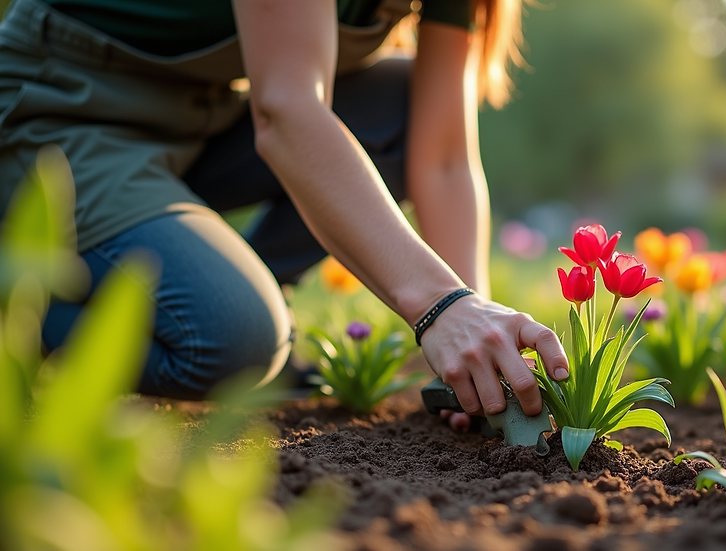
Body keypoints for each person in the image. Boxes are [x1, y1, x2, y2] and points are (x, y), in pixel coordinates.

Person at [0, 0, 569, 430]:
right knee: (233, 341)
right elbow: (286, 111)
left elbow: (443, 156)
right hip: (59, 114)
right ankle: (17, 302)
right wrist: (439, 306)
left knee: (402, 105)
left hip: (203, 119)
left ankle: (222, 293)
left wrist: (474, 341)